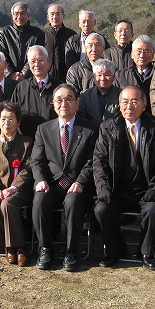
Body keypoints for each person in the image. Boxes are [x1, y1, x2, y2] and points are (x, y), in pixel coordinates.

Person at [93, 86, 155, 270]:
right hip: (117, 189)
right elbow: (99, 161)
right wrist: (103, 187)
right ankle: (115, 250)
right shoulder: (108, 127)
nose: (129, 106)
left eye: (135, 101)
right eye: (125, 101)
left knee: (153, 209)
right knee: (101, 209)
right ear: (119, 105)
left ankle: (145, 253)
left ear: (144, 105)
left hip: (147, 188)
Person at [31, 84, 96, 272]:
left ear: (77, 102)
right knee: (39, 200)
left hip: (77, 186)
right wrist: (40, 179)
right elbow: (36, 161)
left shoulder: (90, 129)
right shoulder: (43, 129)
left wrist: (80, 181)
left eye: (69, 99)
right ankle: (46, 249)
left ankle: (71, 251)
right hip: (51, 184)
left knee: (73, 201)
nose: (64, 103)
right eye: (59, 99)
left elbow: (93, 161)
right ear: (53, 104)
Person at [0, 101, 33, 266]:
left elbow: (28, 169)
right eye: (3, 119)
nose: (6, 123)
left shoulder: (27, 143)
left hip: (19, 189)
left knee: (7, 205)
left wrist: (14, 187)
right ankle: (7, 245)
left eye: (11, 119)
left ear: (18, 122)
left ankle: (19, 247)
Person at [10, 45, 63, 139]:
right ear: (29, 65)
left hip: (53, 139)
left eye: (40, 60)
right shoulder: (21, 87)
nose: (37, 65)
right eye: (33, 61)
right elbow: (13, 114)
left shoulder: (59, 87)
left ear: (48, 61)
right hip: (27, 140)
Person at [0, 2, 45, 80]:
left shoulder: (38, 33)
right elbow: (2, 56)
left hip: (31, 77)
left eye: (23, 13)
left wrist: (24, 73)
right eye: (16, 14)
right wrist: (11, 73)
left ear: (28, 15)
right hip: (10, 79)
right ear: (12, 16)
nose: (19, 17)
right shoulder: (4, 32)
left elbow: (37, 56)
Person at [115, 35, 155, 113]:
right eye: (138, 51)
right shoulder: (120, 76)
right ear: (132, 54)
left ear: (152, 55)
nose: (142, 55)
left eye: (146, 51)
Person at [77, 59, 121, 131]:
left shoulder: (121, 95)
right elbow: (81, 118)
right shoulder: (85, 95)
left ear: (113, 77)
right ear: (94, 77)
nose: (103, 78)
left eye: (107, 75)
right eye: (99, 75)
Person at [44, 3, 77, 80]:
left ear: (63, 16)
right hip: (47, 77)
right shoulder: (42, 35)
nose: (55, 17)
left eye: (58, 14)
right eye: (52, 14)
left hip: (67, 77)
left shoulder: (72, 35)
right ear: (48, 17)